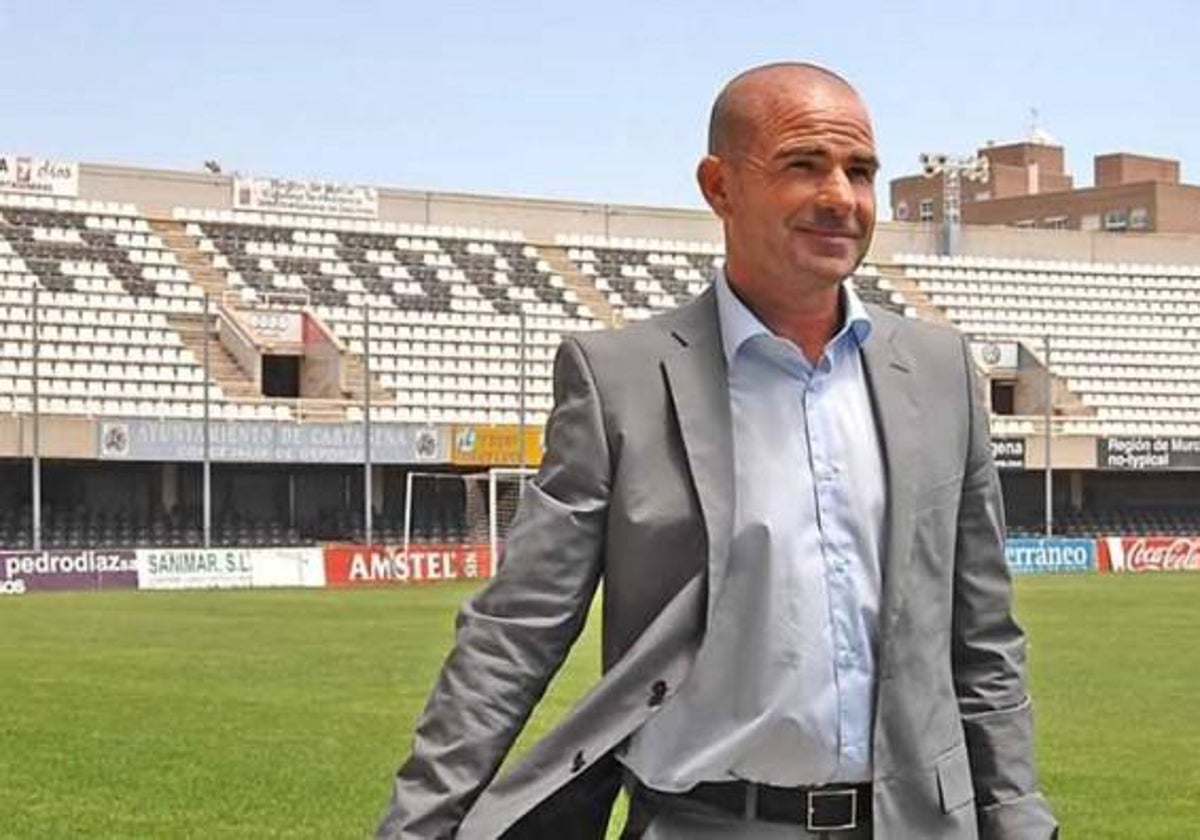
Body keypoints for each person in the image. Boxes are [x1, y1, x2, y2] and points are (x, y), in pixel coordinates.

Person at [377, 62, 1058, 839]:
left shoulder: (939, 374)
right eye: (804, 165)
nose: (842, 196)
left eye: (861, 171)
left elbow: (984, 643)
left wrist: (1017, 819)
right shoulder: (621, 382)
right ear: (719, 185)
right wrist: (417, 826)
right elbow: (515, 633)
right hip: (703, 821)